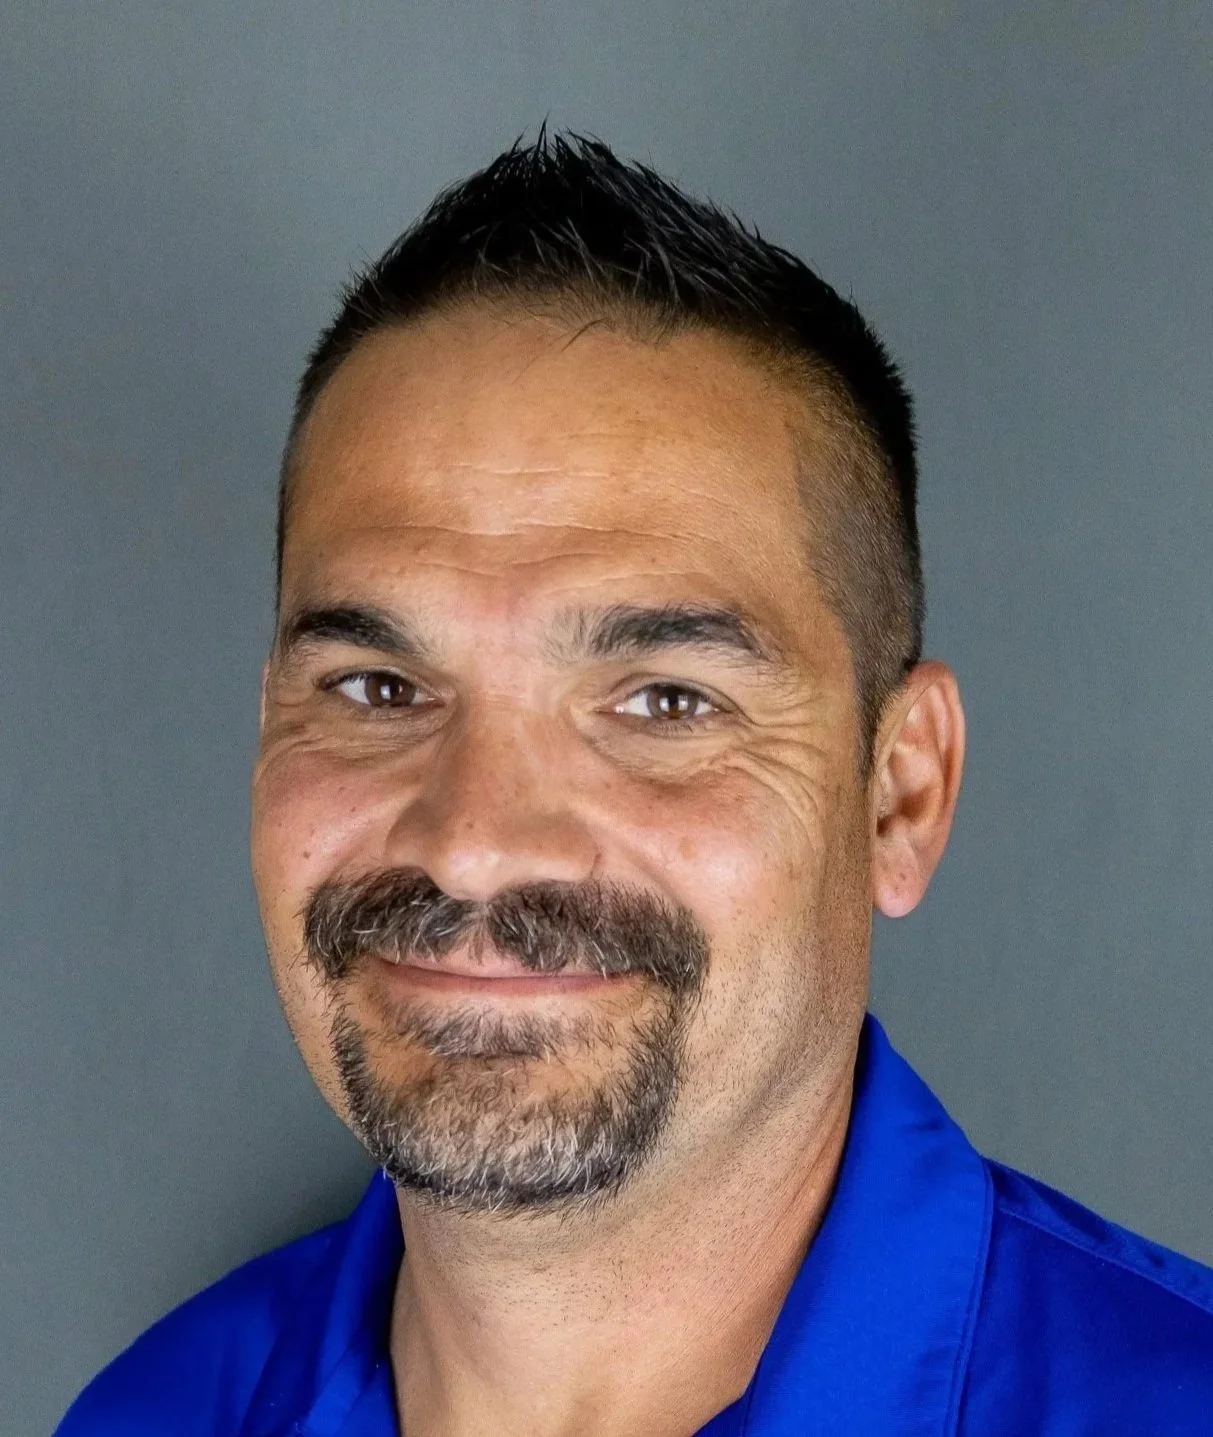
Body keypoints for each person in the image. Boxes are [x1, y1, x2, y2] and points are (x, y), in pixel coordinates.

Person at [57, 132, 1213, 1437]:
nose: (474, 844)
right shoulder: (148, 1412)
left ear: (899, 795)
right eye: (381, 691)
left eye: (664, 702)